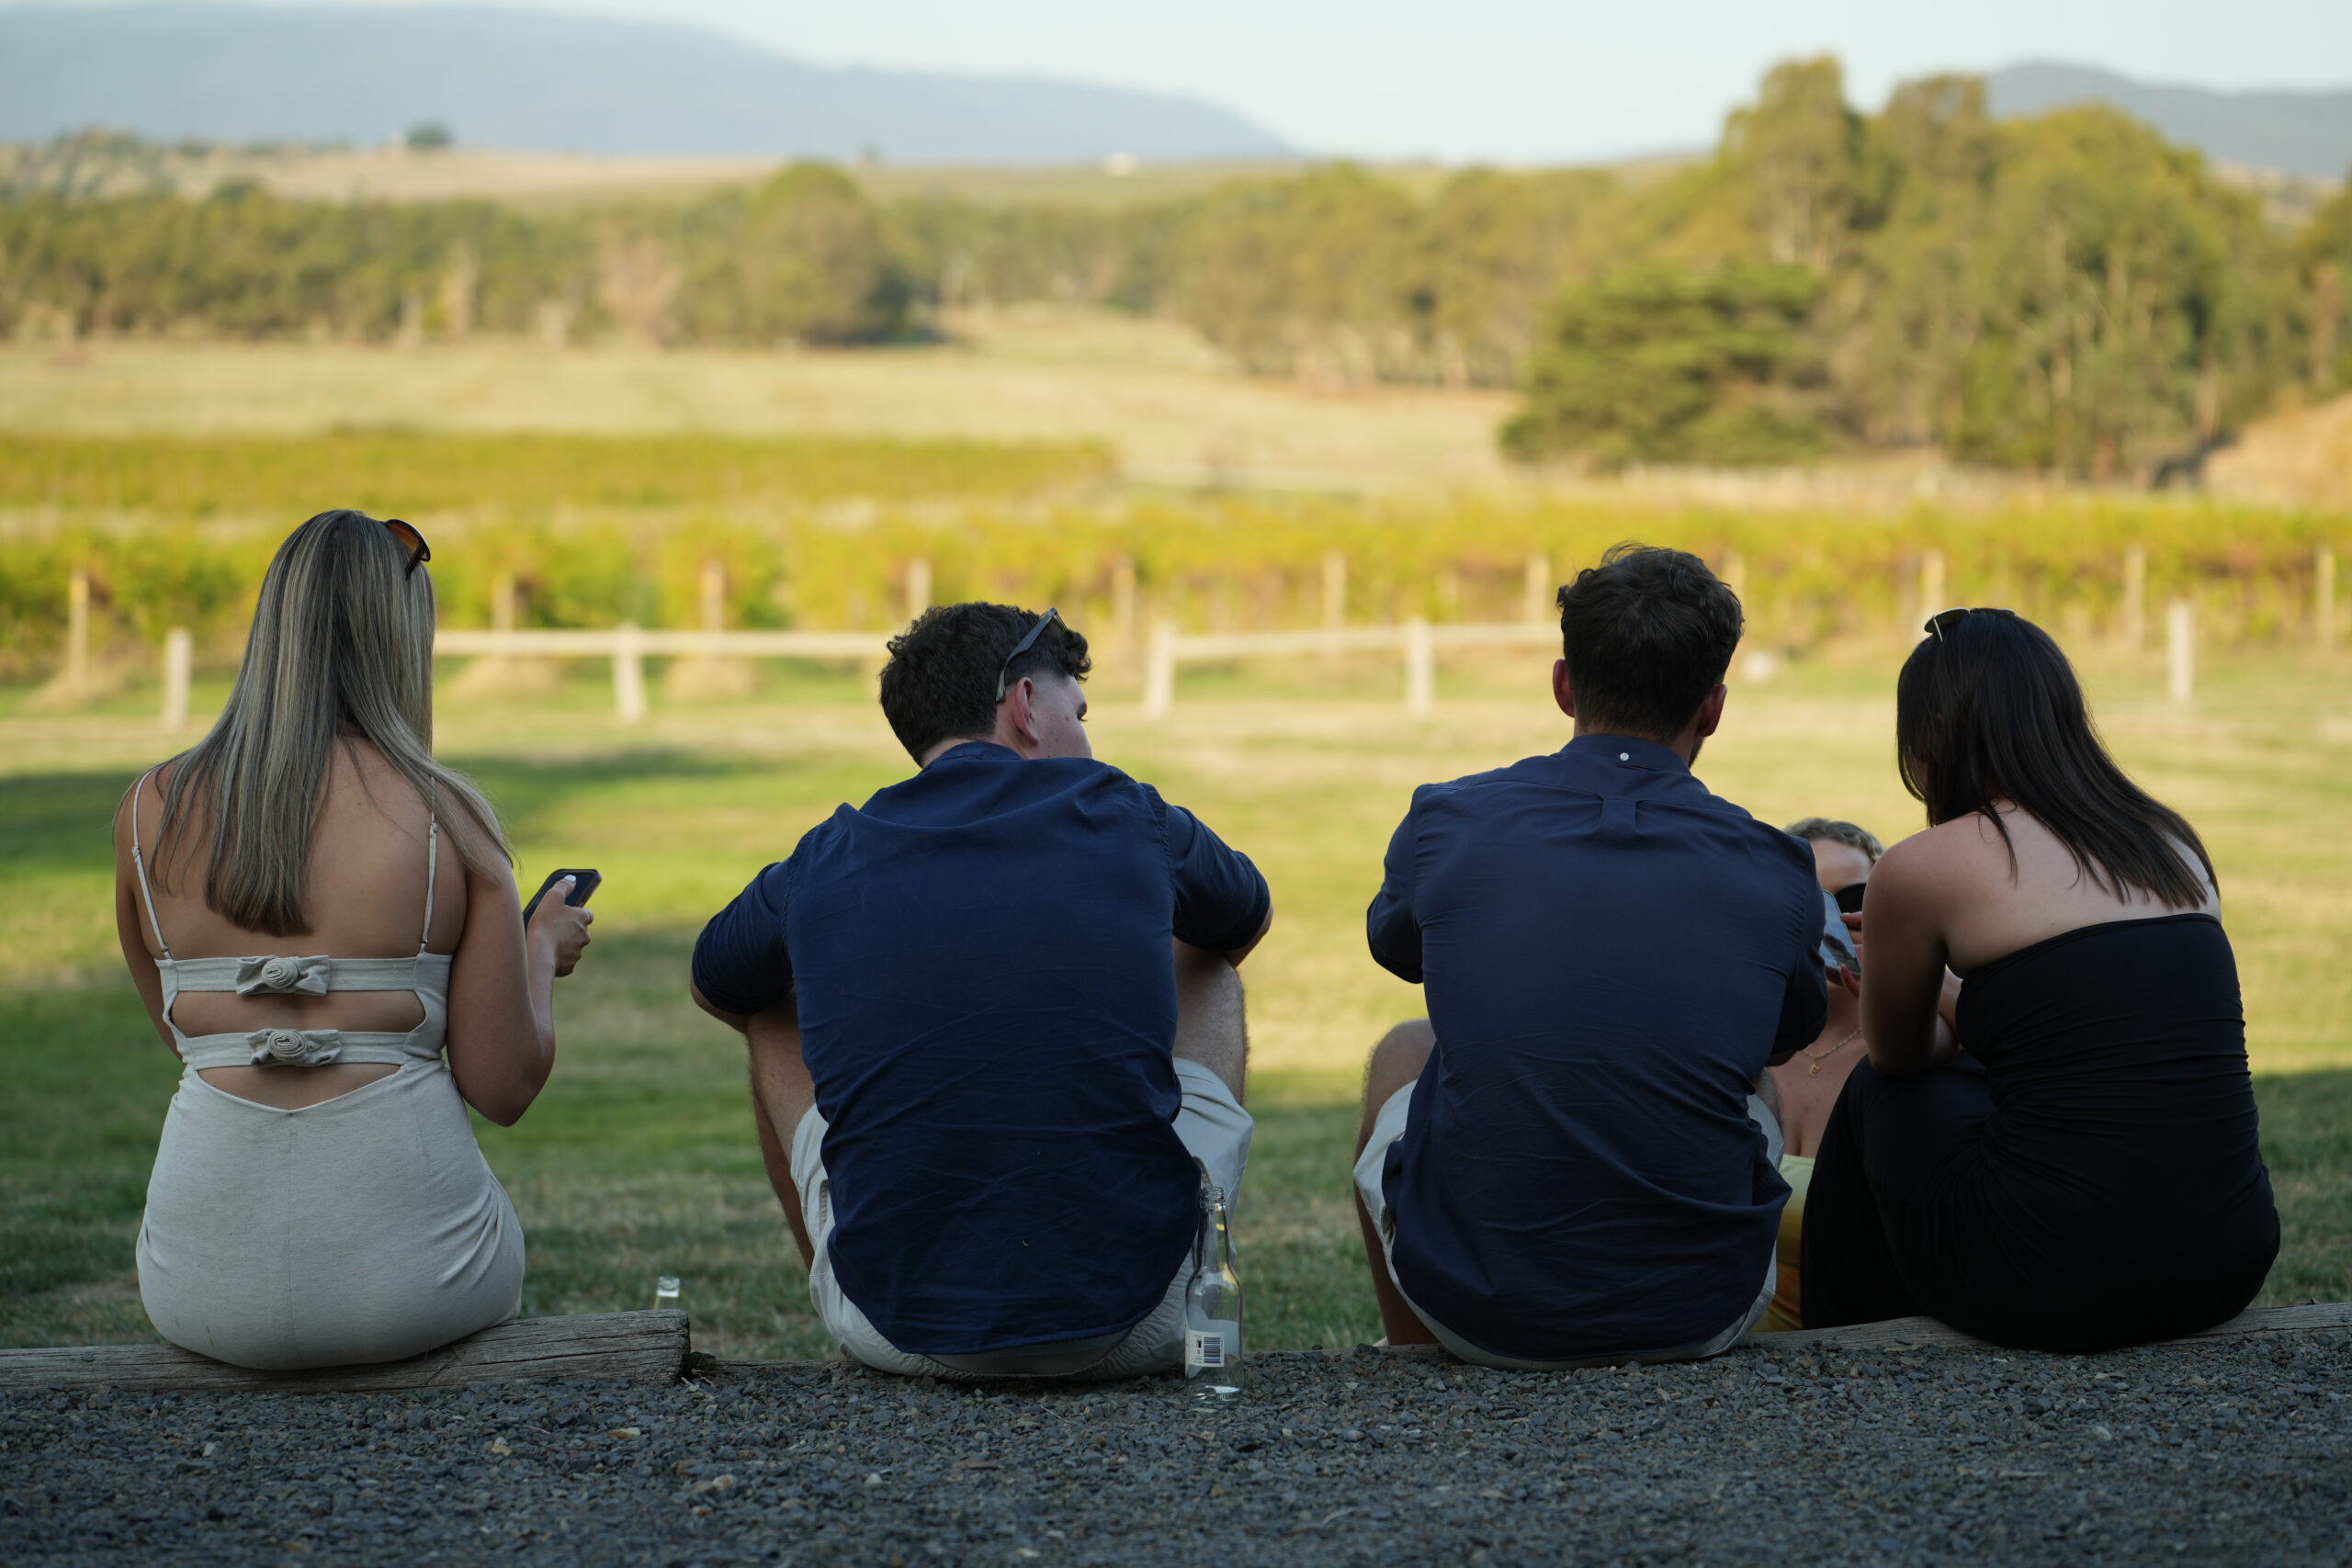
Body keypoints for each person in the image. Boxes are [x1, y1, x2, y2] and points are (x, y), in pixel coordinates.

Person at [690, 603, 1271, 1379]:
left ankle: (854, 1265)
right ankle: (1202, 1263)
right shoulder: (1130, 813)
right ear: (1024, 706)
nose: (1088, 738)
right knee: (1207, 966)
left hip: (897, 1335)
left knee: (769, 1004)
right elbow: (1242, 917)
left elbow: (714, 980)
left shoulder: (826, 854)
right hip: (1140, 1320)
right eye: (1079, 710)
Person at [116, 510, 594, 1371]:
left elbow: (186, 1037)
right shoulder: (450, 817)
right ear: (399, 638)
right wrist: (539, 951)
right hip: (417, 1280)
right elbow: (504, 1084)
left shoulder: (151, 810)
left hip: (197, 1283)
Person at [1353, 544, 1827, 1369]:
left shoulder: (1446, 822)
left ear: (1565, 685)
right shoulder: (1777, 866)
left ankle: (1409, 1349)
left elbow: (1397, 947)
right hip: (1700, 1311)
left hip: (1477, 1310)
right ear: (1713, 707)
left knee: (1405, 1049)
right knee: (1752, 1076)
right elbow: (1785, 1040)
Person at [1802, 607, 2279, 1350]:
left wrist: (1927, 993)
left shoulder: (1923, 865)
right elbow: (2085, 1023)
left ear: (1930, 735)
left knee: (1874, 1092)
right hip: (2230, 1255)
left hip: (2058, 1274)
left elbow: (1897, 1056)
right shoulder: (2169, 840)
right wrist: (1973, 1006)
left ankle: (1836, 1339)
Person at [1752, 819, 1880, 1333]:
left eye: (1851, 900)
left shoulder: (1912, 1050)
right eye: (1808, 898)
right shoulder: (1743, 1043)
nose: (1828, 922)